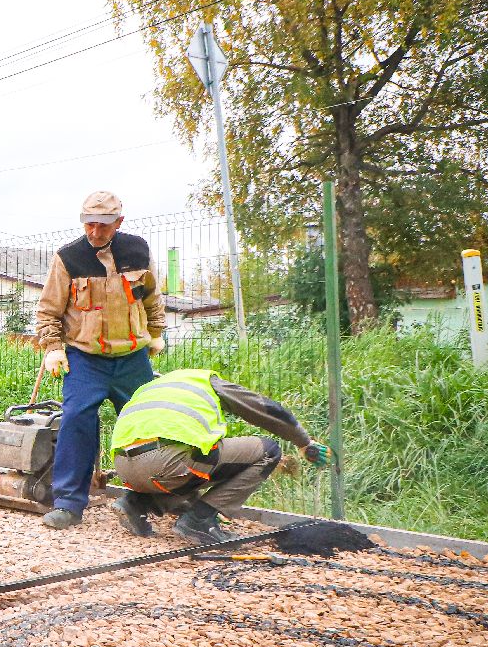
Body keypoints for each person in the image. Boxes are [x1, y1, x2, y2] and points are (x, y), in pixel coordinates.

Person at [34, 190, 166, 530]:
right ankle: (68, 503)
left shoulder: (137, 251)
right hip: (85, 358)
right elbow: (48, 309)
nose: (95, 232)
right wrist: (53, 348)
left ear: (118, 222)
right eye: (89, 224)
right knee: (77, 420)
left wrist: (156, 331)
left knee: (146, 427)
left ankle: (145, 499)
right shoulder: (68, 258)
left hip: (132, 358)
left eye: (103, 226)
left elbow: (152, 296)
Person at [108, 368, 333, 543]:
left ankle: (137, 504)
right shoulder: (205, 381)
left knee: (198, 463)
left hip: (125, 469)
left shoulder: (152, 390)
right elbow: (266, 410)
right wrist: (304, 443)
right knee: (269, 451)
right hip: (169, 464)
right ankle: (199, 520)